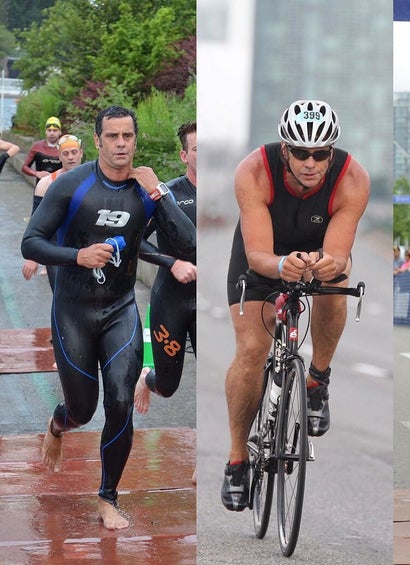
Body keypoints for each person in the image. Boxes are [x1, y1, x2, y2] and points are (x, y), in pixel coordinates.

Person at [21, 106, 196, 530]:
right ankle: (58, 424)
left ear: (136, 140)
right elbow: (31, 243)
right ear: (98, 140)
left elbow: (189, 242)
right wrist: (77, 256)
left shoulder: (146, 190)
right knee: (82, 410)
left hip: (120, 309)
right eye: (112, 136)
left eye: (127, 136)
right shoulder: (72, 185)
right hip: (73, 311)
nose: (121, 144)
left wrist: (160, 192)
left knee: (120, 402)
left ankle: (107, 498)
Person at [221, 99, 370, 511]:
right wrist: (282, 265)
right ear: (285, 150)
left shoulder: (353, 178)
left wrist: (325, 264)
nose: (310, 163)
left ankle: (317, 380)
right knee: (252, 350)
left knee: (336, 280)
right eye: (301, 153)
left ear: (331, 153)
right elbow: (257, 255)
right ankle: (236, 460)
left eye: (320, 154)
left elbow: (337, 254)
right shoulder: (253, 170)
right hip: (264, 254)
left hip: (318, 249)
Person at [134, 121, 196, 413]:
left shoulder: (229, 193)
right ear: (184, 156)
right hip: (171, 300)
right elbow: (134, 241)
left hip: (210, 303)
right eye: (197, 149)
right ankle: (146, 379)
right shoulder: (165, 194)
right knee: (167, 386)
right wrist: (171, 263)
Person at [22, 134, 84, 289]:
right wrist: (32, 257)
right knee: (60, 295)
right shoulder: (46, 183)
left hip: (86, 248)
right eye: (65, 153)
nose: (71, 157)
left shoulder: (93, 179)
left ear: (81, 153)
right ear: (59, 156)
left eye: (74, 152)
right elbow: (36, 222)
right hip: (56, 250)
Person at [21, 116, 63, 184]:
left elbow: (72, 169)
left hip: (59, 186)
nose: (52, 133)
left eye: (55, 130)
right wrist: (36, 173)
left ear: (60, 132)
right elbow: (24, 167)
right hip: (41, 186)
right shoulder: (37, 147)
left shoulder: (64, 148)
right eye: (49, 130)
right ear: (45, 132)